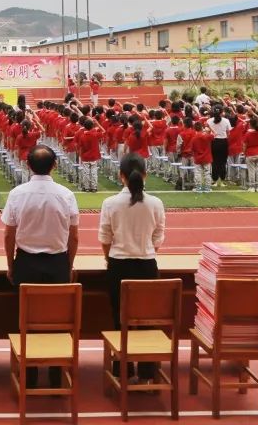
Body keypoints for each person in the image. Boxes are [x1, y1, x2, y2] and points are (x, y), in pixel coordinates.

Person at [1, 144, 79, 388]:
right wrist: (69, 265)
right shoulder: (65, 195)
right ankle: (56, 377)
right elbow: (73, 237)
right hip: (57, 263)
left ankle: (30, 377)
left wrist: (10, 265)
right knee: (56, 321)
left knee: (27, 321)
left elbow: (8, 236)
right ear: (55, 165)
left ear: (27, 164)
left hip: (26, 262)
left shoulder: (17, 194)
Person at [98, 152, 165, 382]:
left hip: (119, 265)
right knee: (147, 320)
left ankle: (122, 370)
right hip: (147, 264)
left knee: (120, 319)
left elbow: (105, 238)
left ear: (121, 176)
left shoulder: (110, 203)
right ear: (145, 175)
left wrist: (110, 258)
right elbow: (158, 237)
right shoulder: (155, 203)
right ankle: (147, 372)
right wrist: (146, 249)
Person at [206, 106, 231, 185]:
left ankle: (215, 180)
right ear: (222, 112)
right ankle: (222, 180)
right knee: (223, 162)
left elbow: (207, 132)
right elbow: (228, 133)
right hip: (223, 142)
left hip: (213, 142)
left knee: (214, 162)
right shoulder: (226, 120)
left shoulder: (209, 120)